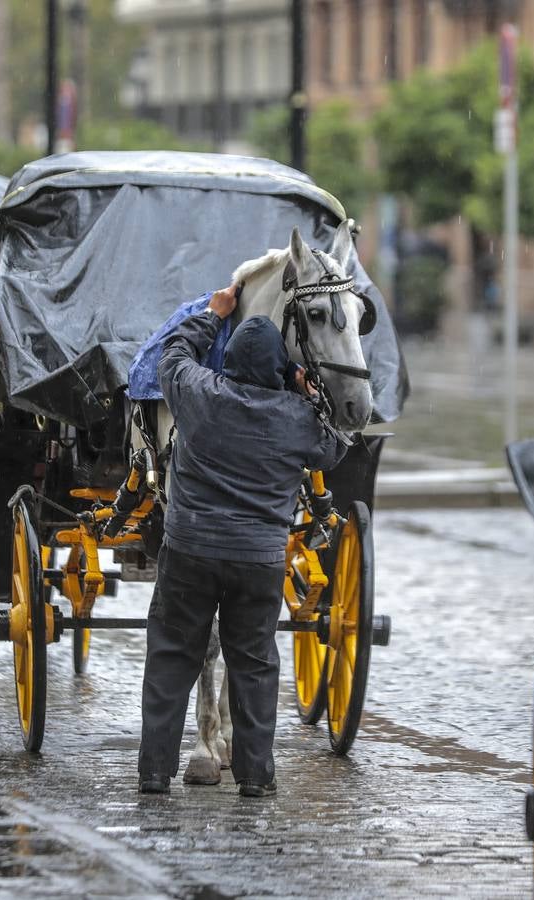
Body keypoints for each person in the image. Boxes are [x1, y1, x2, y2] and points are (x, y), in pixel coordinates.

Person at [138, 284, 345, 798]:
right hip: (258, 560)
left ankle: (154, 773)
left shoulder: (198, 393)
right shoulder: (296, 420)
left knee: (172, 656)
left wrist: (210, 315)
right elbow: (336, 448)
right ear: (281, 371)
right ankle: (255, 776)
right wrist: (307, 392)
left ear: (226, 360)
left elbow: (171, 354)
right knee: (254, 664)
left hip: (189, 551)